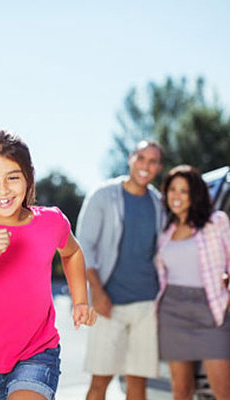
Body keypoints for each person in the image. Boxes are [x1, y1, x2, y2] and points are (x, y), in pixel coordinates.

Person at [0, 130, 96, 400]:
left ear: (28, 178)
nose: (2, 189)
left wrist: (80, 300)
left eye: (13, 177)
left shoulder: (51, 221)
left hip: (38, 352)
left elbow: (72, 252)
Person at [77, 140, 165, 400]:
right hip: (109, 303)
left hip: (147, 305)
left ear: (159, 167)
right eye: (141, 159)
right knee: (100, 381)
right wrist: (97, 291)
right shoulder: (103, 195)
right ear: (131, 159)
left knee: (138, 383)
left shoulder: (158, 203)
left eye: (152, 161)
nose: (145, 166)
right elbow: (84, 247)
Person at [155, 165, 230, 400]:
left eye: (184, 191)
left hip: (211, 309)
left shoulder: (215, 222)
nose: (176, 196)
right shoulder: (164, 231)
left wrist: (227, 303)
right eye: (172, 190)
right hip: (172, 311)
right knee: (181, 391)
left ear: (194, 194)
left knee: (223, 389)